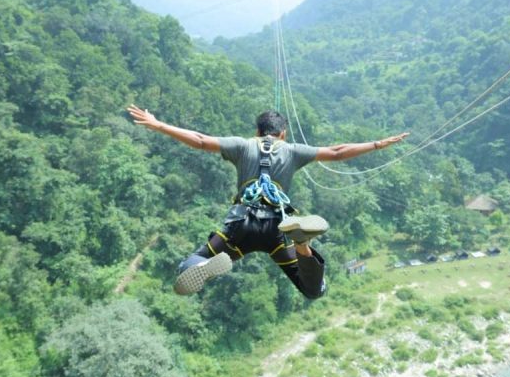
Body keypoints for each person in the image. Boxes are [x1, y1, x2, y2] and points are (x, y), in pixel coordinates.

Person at [128, 104, 408, 298]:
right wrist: (377, 144)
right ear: (282, 133)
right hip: (278, 230)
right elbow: (337, 152)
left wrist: (157, 124)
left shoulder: (241, 145)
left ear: (257, 131)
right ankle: (302, 246)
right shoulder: (292, 150)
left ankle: (202, 266)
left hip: (240, 226)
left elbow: (200, 140)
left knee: (189, 265)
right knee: (314, 290)